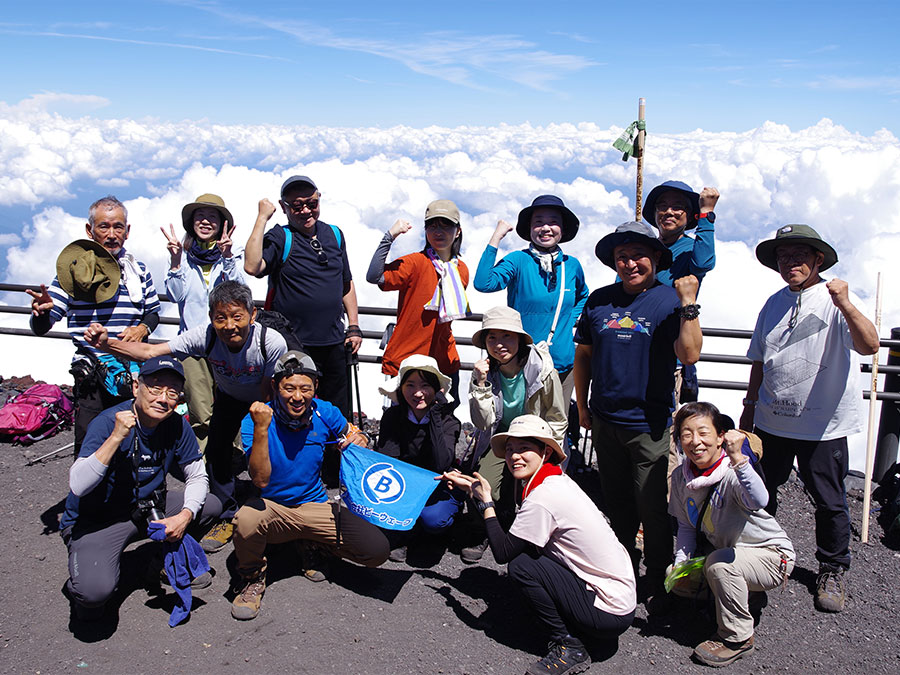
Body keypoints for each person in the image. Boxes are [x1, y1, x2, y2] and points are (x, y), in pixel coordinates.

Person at [83, 280, 287, 554]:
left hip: (263, 398)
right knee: (217, 451)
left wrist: (260, 425)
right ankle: (227, 514)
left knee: (272, 451)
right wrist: (107, 344)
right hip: (229, 396)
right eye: (220, 318)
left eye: (237, 317)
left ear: (252, 315)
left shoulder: (271, 342)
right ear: (211, 319)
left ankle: (275, 506)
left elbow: (269, 389)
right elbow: (150, 351)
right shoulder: (205, 336)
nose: (229, 326)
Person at [740, 224, 879, 613]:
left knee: (829, 500)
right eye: (784, 257)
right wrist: (749, 408)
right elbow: (758, 359)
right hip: (772, 421)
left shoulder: (835, 299)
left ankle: (832, 569)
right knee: (761, 495)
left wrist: (847, 304)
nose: (790, 262)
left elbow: (870, 345)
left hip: (824, 426)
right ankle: (761, 559)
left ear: (818, 259)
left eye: (799, 255)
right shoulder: (772, 303)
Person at [573, 221, 702, 611]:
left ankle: (658, 575)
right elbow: (584, 357)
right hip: (605, 421)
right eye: (621, 257)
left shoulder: (668, 299)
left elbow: (690, 354)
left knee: (653, 506)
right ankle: (622, 565)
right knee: (617, 503)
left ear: (656, 258)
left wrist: (688, 303)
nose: (629, 263)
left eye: (637, 255)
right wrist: (582, 406)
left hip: (649, 425)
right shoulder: (599, 300)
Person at [443, 415, 635, 675]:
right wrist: (473, 490)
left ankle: (570, 647)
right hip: (617, 598)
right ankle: (577, 621)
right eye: (510, 449)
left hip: (609, 611)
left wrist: (486, 502)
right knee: (530, 554)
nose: (514, 457)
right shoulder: (553, 481)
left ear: (545, 451)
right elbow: (518, 534)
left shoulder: (543, 497)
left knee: (522, 566)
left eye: (524, 449)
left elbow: (503, 552)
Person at [231, 351, 389, 620]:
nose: (297, 396)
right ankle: (252, 577)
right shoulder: (254, 421)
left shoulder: (324, 411)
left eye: (305, 388)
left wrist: (360, 438)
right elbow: (260, 480)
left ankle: (311, 545)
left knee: (376, 550)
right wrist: (261, 429)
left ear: (315, 388)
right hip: (273, 508)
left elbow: (353, 432)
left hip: (314, 503)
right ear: (275, 387)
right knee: (245, 520)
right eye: (289, 388)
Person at [60, 356, 221, 620]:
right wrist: (115, 438)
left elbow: (197, 477)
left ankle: (157, 563)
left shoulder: (176, 425)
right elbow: (78, 484)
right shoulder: (108, 422)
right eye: (155, 388)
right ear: (136, 387)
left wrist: (184, 516)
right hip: (98, 522)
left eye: (172, 392)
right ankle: (85, 576)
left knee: (210, 505)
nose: (163, 398)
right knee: (94, 594)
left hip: (147, 510)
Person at [27, 196, 161, 457]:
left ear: (127, 231)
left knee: (132, 442)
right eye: (104, 227)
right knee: (91, 442)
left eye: (118, 227)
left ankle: (126, 495)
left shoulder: (138, 270)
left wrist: (142, 329)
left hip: (132, 371)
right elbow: (43, 324)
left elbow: (153, 312)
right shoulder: (74, 272)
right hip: (92, 374)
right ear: (90, 231)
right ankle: (86, 496)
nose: (112, 234)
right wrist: (41, 313)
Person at [669, 402, 794, 668]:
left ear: (720, 437)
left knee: (720, 567)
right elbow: (686, 527)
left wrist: (739, 459)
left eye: (703, 433)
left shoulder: (732, 473)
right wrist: (681, 567)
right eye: (686, 434)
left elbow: (759, 499)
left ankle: (736, 638)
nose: (695, 442)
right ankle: (747, 593)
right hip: (731, 554)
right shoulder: (682, 476)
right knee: (679, 578)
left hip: (771, 556)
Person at [244, 175, 362, 418]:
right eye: (297, 206)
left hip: (333, 343)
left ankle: (334, 455)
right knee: (294, 410)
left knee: (338, 413)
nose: (306, 210)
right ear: (285, 207)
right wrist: (262, 218)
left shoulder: (335, 235)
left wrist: (353, 326)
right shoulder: (280, 238)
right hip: (293, 344)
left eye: (312, 203)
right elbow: (252, 266)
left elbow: (346, 284)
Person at [463, 305, 568, 563]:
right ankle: (487, 530)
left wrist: (549, 454)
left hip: (534, 440)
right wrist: (480, 384)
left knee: (534, 490)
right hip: (500, 438)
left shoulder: (542, 370)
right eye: (492, 338)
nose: (499, 344)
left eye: (507, 336)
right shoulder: (484, 373)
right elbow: (483, 421)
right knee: (482, 484)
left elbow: (556, 417)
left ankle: (531, 536)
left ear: (520, 339)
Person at [473, 195, 589, 406]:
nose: (546, 228)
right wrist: (496, 238)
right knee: (523, 429)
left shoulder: (572, 266)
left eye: (553, 221)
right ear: (529, 229)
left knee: (555, 428)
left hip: (562, 363)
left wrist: (568, 320)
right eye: (538, 222)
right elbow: (484, 283)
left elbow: (583, 295)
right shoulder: (518, 260)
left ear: (562, 228)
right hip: (521, 363)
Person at [161, 193, 245, 457]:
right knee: (200, 411)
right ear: (191, 223)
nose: (206, 222)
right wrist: (175, 261)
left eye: (212, 217)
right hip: (194, 346)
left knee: (230, 408)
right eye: (200, 216)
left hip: (227, 344)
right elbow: (175, 294)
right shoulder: (183, 258)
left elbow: (240, 292)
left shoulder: (230, 255)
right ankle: (205, 466)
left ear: (222, 225)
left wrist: (228, 257)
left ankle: (231, 461)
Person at [366, 199, 470, 407]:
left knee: (443, 419)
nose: (438, 231)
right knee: (403, 423)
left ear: (457, 231)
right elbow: (374, 276)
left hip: (443, 359)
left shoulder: (461, 270)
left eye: (445, 225)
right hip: (409, 359)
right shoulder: (414, 263)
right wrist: (390, 237)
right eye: (432, 225)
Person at [375, 354, 463, 562]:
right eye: (410, 385)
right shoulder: (392, 417)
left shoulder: (449, 422)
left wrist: (435, 417)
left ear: (436, 390)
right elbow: (388, 459)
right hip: (405, 483)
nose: (417, 393)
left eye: (425, 386)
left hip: (438, 484)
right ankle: (409, 533)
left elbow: (442, 463)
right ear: (400, 388)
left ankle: (436, 532)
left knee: (433, 520)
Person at [642, 180, 719, 409]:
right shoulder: (644, 250)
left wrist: (707, 214)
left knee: (663, 430)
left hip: (669, 357)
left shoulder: (689, 251)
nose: (668, 211)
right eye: (662, 206)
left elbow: (704, 261)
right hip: (634, 348)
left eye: (678, 207)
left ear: (689, 216)